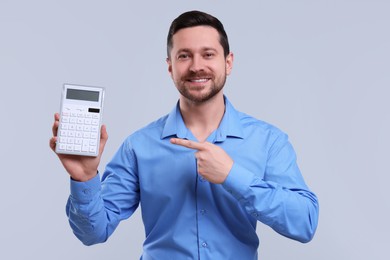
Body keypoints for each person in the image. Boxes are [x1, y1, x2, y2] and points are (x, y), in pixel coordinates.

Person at [50, 10, 319, 259]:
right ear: (170, 66)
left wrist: (232, 176)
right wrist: (84, 178)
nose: (196, 66)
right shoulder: (139, 146)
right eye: (184, 55)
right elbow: (93, 233)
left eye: (208, 54)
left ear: (229, 62)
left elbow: (304, 223)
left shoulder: (268, 140)